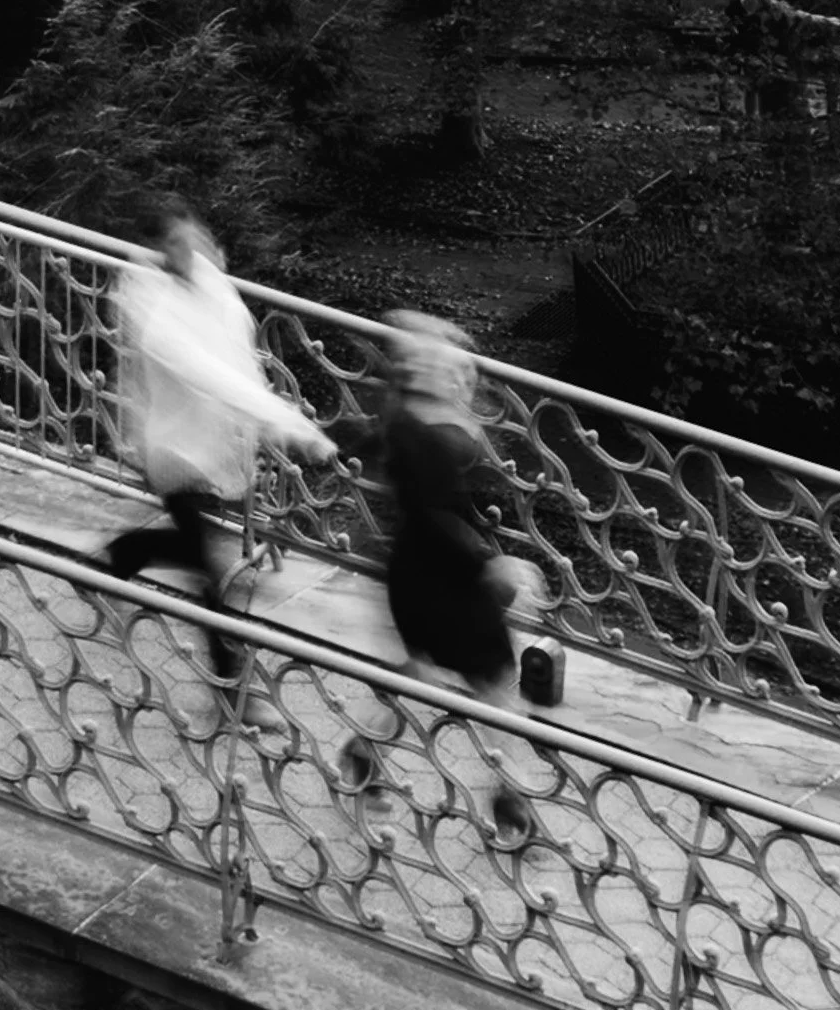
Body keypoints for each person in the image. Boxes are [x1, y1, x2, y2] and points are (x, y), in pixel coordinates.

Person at [104, 204, 334, 731]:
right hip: (175, 452)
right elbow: (208, 373)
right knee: (210, 570)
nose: (198, 251)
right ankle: (235, 695)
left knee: (193, 551)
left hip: (213, 447)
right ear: (163, 253)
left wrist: (268, 421)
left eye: (198, 238)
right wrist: (291, 424)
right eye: (182, 245)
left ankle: (122, 555)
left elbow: (239, 358)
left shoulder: (209, 283)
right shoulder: (153, 310)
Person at [346, 311, 545, 834]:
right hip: (444, 572)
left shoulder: (410, 415)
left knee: (419, 671)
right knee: (497, 681)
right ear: (417, 370)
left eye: (463, 370)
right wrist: (493, 565)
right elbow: (434, 513)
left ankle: (363, 754)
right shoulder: (418, 431)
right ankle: (510, 799)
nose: (460, 377)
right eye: (445, 366)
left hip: (422, 569)